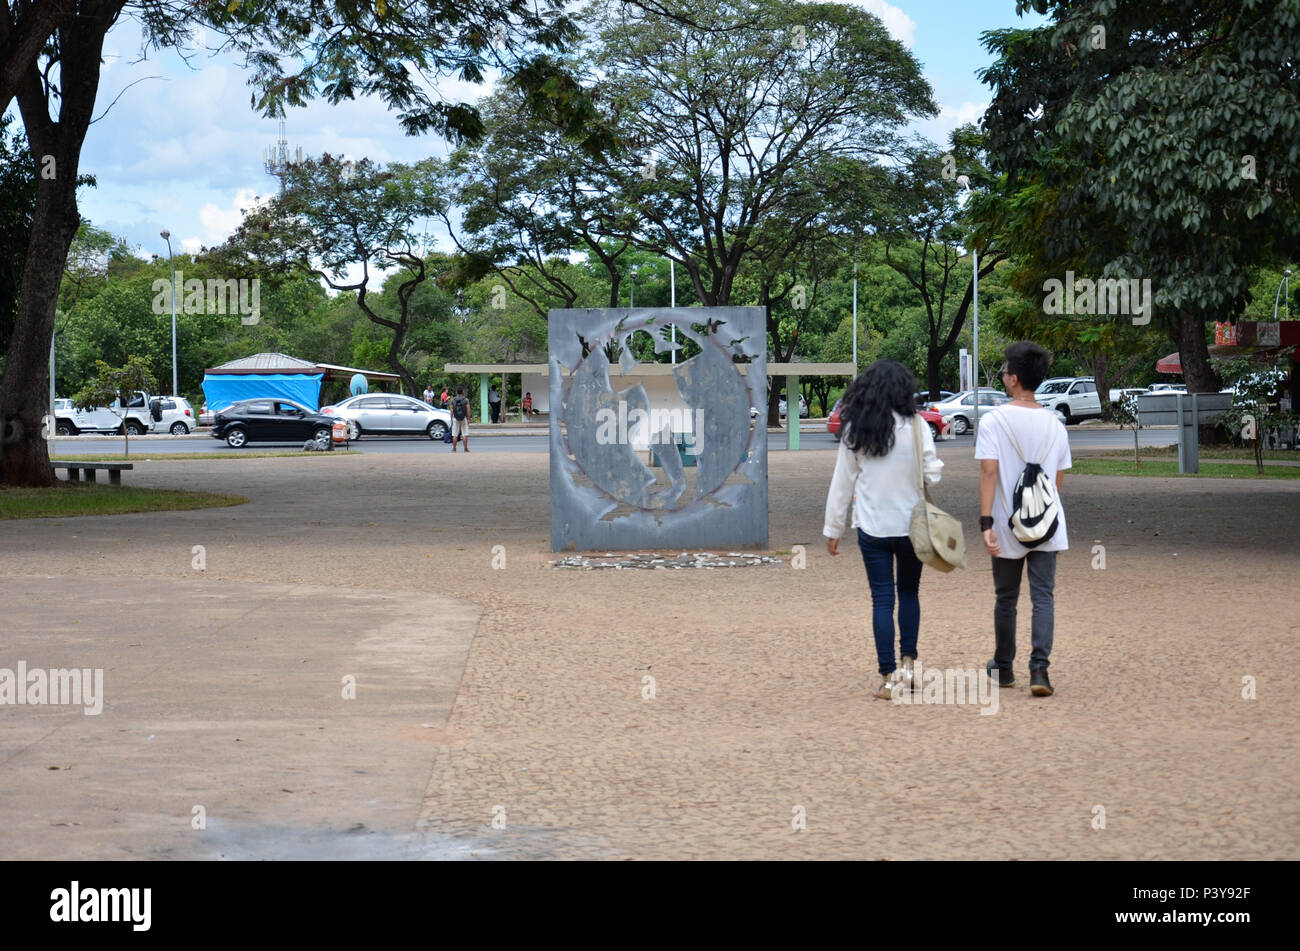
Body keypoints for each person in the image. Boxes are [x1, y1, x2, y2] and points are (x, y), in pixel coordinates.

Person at [823, 360, 943, 700]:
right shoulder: (917, 426)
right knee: (909, 593)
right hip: (911, 526)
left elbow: (842, 484)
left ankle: (889, 678)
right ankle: (909, 666)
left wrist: (834, 529)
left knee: (881, 600)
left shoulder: (855, 429)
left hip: (872, 527)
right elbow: (932, 475)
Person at [976, 341, 1072, 697]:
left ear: (1014, 379)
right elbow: (1058, 481)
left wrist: (986, 522)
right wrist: (1043, 516)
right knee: (1044, 596)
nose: (1002, 375)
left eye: (1003, 371)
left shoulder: (993, 421)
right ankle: (1040, 671)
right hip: (1047, 524)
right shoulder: (1056, 425)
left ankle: (1003, 667)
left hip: (1005, 523)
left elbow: (989, 472)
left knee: (1006, 597)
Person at [450, 385, 471, 452]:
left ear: (456, 392)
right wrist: (468, 418)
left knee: (455, 435)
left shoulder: (453, 400)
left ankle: (454, 449)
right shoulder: (466, 400)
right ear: (462, 392)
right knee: (464, 434)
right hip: (463, 418)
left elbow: (452, 410)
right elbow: (468, 409)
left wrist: (451, 418)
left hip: (455, 418)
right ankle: (465, 448)